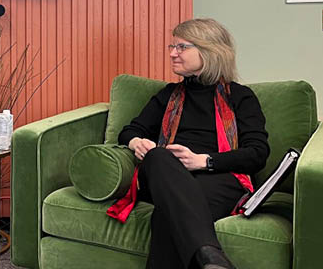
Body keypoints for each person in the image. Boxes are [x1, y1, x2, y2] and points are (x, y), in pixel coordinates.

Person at [108, 18, 269, 269]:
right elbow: (129, 131)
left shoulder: (240, 97)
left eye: (182, 47)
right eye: (172, 47)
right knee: (158, 156)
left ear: (210, 51)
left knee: (168, 215)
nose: (173, 53)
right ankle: (210, 255)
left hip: (219, 178)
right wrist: (137, 142)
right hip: (165, 173)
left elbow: (257, 154)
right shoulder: (168, 95)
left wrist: (203, 161)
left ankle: (207, 258)